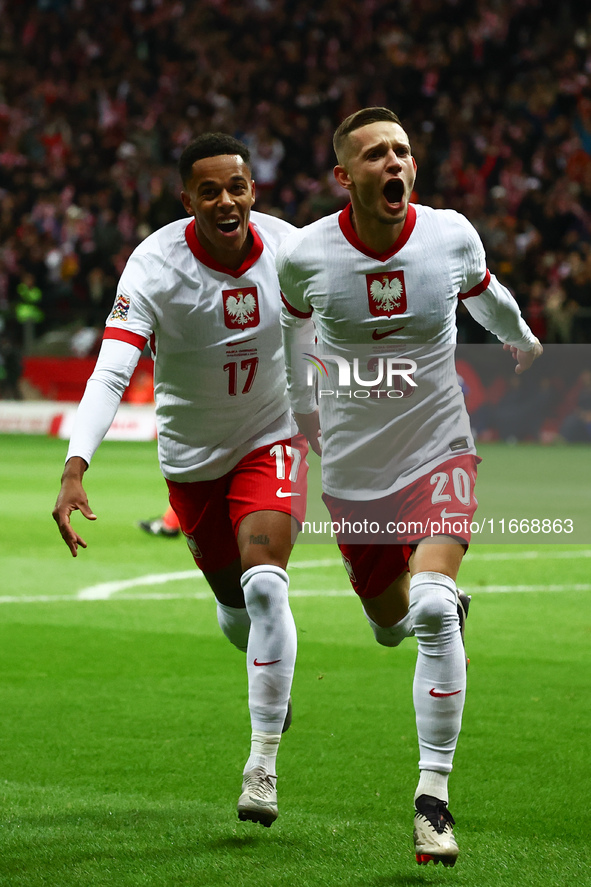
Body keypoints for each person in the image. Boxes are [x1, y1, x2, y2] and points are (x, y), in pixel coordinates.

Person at [277, 107, 542, 867]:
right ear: (345, 176)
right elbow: (293, 331)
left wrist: (518, 337)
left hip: (439, 449)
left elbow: (483, 291)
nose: (392, 163)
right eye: (374, 155)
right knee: (391, 624)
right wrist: (300, 407)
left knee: (427, 609)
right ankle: (433, 606)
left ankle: (432, 797)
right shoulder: (307, 255)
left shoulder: (449, 233)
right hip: (356, 471)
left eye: (401, 152)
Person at [52, 132, 308, 828]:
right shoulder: (152, 266)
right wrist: (76, 466)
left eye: (238, 186)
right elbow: (112, 369)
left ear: (252, 189)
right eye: (210, 190)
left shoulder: (290, 250)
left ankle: (262, 762)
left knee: (263, 583)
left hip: (271, 439)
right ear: (186, 198)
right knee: (236, 606)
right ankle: (268, 665)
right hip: (191, 460)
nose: (227, 200)